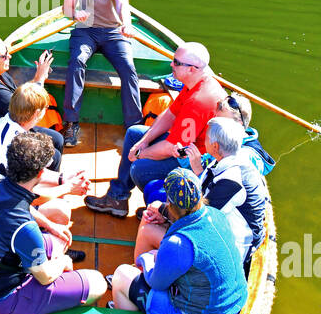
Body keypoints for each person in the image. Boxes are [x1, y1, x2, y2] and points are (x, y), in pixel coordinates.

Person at [0, 132, 108, 314]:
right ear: (40, 173)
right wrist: (62, 262)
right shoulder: (25, 228)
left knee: (59, 240)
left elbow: (15, 204)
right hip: (3, 299)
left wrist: (50, 225)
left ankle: (55, 279)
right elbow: (45, 277)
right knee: (97, 283)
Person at [110, 169, 246, 314]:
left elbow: (156, 283)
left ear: (170, 202)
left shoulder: (178, 243)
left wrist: (146, 259)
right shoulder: (216, 215)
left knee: (121, 276)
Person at [85, 41, 223, 217]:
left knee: (139, 169)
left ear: (192, 69)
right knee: (135, 133)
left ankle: (165, 212)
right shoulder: (194, 84)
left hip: (195, 160)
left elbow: (173, 147)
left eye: (177, 62)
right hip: (181, 147)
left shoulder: (198, 101)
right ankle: (117, 198)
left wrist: (140, 154)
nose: (171, 64)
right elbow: (170, 115)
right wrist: (144, 142)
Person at [0, 82, 88, 214]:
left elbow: (34, 175)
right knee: (61, 212)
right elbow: (27, 198)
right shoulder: (16, 149)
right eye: (46, 108)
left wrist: (62, 178)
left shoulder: (3, 124)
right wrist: (68, 188)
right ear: (36, 114)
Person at [61, 0, 141, 148]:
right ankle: (71, 123)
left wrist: (127, 24)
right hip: (85, 31)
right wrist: (75, 13)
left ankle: (134, 127)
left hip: (113, 32)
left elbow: (123, 4)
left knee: (128, 68)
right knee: (76, 61)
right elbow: (67, 8)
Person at [183, 117, 270, 270]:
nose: (204, 141)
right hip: (223, 230)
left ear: (215, 146)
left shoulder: (232, 179)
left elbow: (200, 215)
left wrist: (162, 211)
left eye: (207, 138)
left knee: (162, 235)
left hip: (235, 249)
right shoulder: (226, 160)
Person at [0, 35, 59, 155]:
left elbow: (19, 96)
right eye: (4, 56)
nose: (10, 56)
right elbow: (25, 108)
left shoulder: (0, 75)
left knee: (57, 139)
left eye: (7, 52)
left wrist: (37, 77)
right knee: (55, 152)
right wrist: (40, 80)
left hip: (8, 129)